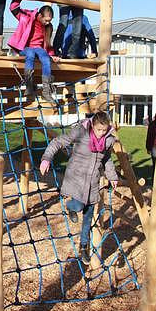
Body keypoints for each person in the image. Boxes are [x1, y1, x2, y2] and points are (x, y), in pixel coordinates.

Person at [38, 112, 119, 265]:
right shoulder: (81, 132)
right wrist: (46, 158)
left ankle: (83, 246)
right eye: (99, 130)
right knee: (79, 205)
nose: (101, 133)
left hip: (93, 182)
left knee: (88, 217)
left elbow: (107, 159)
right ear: (92, 126)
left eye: (104, 130)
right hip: (77, 179)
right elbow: (58, 142)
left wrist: (113, 177)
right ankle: (70, 206)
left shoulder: (108, 140)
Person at [7, 0, 60, 103]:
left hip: (39, 49)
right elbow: (13, 8)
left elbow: (48, 43)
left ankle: (46, 91)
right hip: (25, 47)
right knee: (30, 53)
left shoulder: (48, 27)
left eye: (50, 20)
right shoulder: (27, 17)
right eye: (46, 20)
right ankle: (29, 85)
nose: (48, 23)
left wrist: (52, 55)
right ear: (40, 16)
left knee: (45, 58)